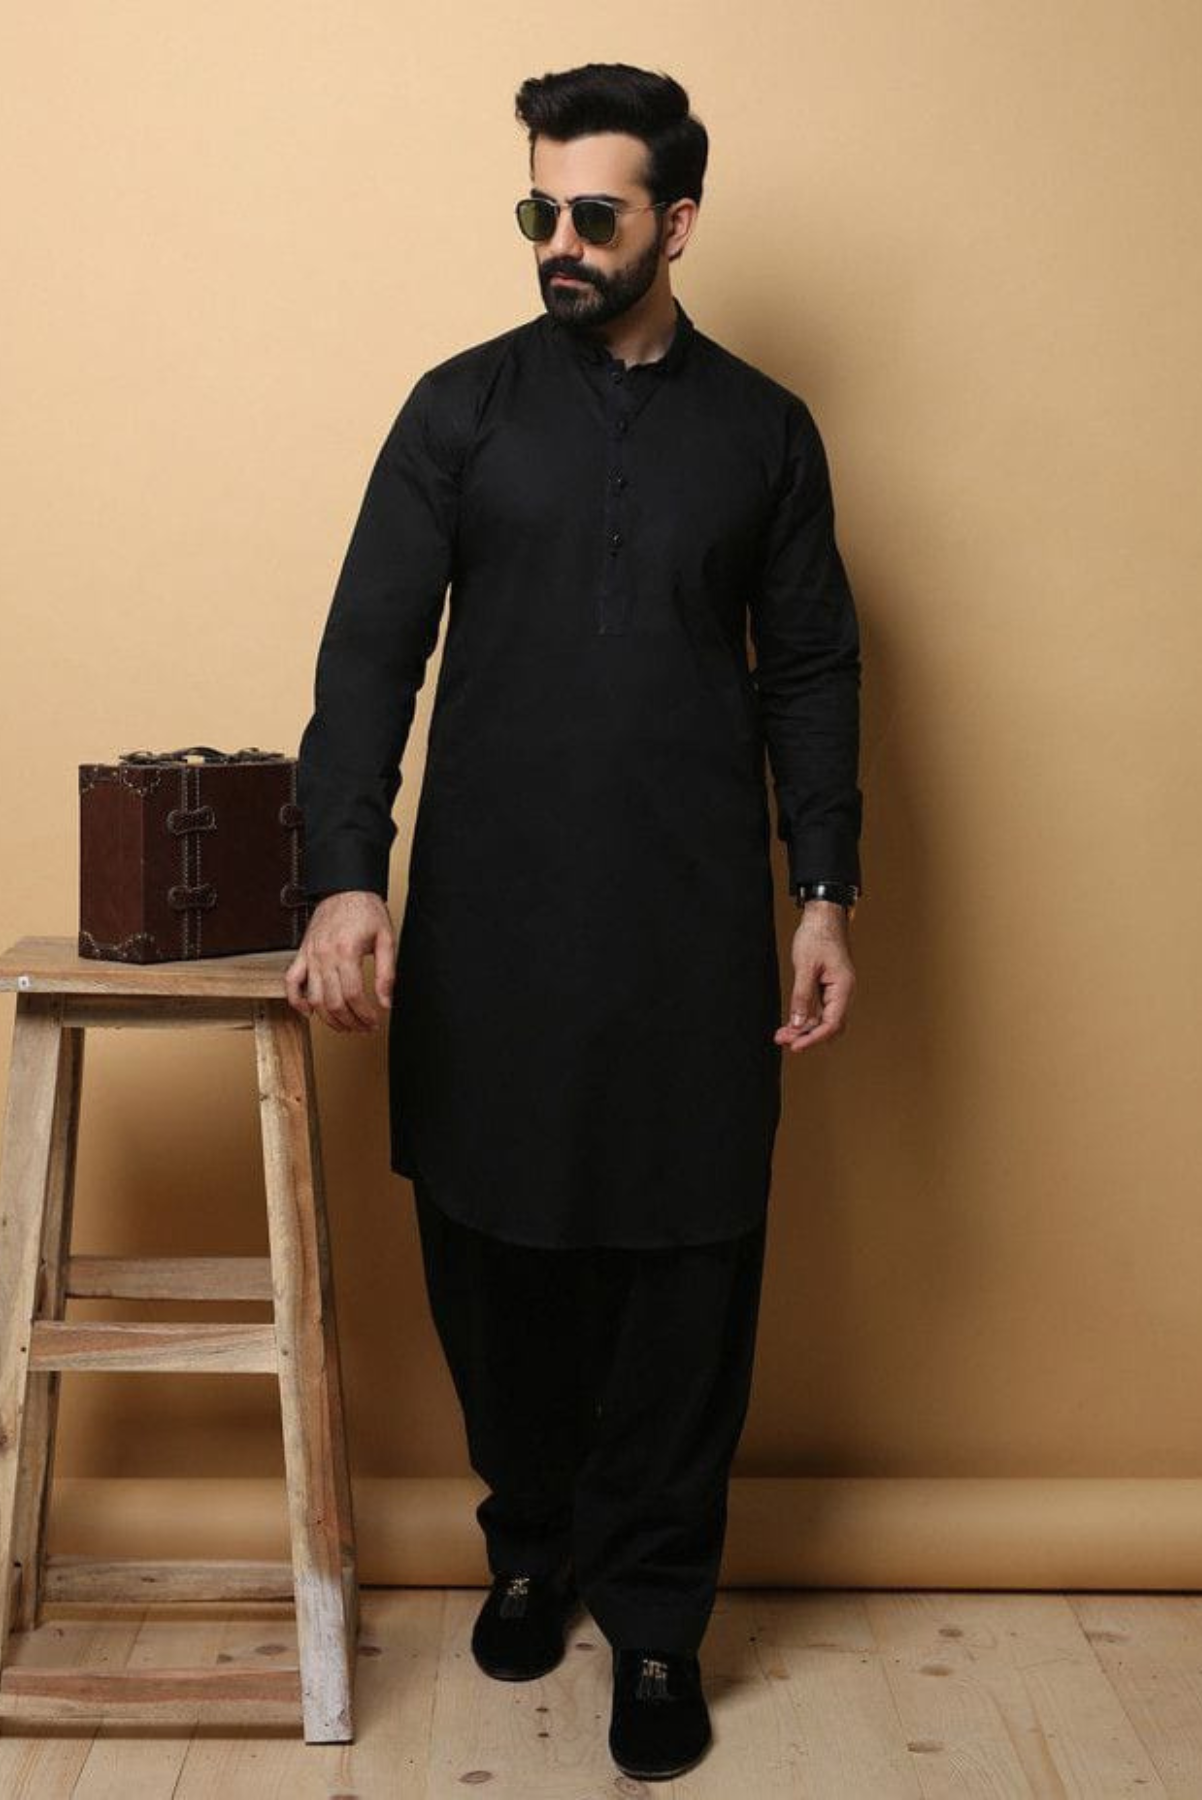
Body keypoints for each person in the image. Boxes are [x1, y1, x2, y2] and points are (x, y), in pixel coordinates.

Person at [286, 60, 862, 1784]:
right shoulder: (457, 410)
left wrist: (824, 892)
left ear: (675, 223)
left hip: (689, 924)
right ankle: (532, 1545)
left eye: (592, 214)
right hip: (491, 923)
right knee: (494, 1258)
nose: (557, 240)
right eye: (538, 208)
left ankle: (660, 1621)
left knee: (687, 1275)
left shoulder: (762, 431)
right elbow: (367, 655)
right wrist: (345, 871)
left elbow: (812, 671)